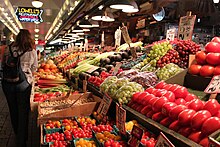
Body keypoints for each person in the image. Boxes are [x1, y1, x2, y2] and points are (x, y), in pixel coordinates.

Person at [2, 29, 38, 147]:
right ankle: (22, 139)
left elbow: (3, 64)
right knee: (23, 112)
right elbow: (34, 67)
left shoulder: (9, 48)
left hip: (8, 83)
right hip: (23, 84)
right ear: (29, 38)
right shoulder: (31, 50)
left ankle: (18, 134)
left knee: (13, 110)